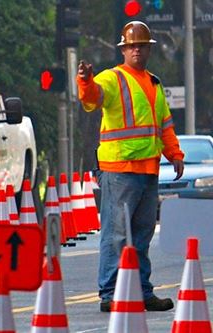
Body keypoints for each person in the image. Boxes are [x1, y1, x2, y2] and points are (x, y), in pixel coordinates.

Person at [76, 21, 184, 312]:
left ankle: (141, 290)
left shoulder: (153, 83)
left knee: (141, 235)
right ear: (123, 50)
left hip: (148, 171)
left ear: (148, 49)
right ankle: (110, 294)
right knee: (116, 234)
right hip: (120, 170)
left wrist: (175, 154)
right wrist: (85, 80)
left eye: (141, 46)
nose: (136, 50)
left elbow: (164, 124)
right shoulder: (112, 78)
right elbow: (92, 97)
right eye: (131, 46)